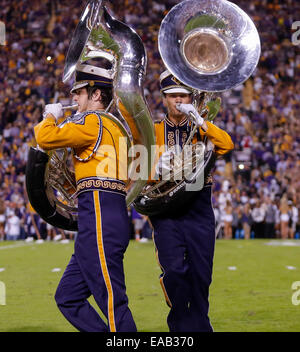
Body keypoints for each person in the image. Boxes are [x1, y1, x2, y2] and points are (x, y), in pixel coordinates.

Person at [34, 64, 136, 332]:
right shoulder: (115, 128)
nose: (74, 98)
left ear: (97, 95)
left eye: (79, 92)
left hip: (100, 217)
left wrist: (50, 117)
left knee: (113, 303)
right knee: (67, 296)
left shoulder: (93, 122)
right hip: (98, 217)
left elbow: (44, 138)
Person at [149, 70, 234, 332]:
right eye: (172, 96)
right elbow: (137, 173)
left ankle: (199, 327)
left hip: (199, 207)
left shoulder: (201, 127)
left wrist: (202, 122)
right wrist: (154, 169)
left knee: (201, 275)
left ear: (191, 98)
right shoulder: (153, 130)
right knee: (174, 270)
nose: (178, 101)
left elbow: (227, 145)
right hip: (166, 212)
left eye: (183, 95)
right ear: (164, 98)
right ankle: (179, 325)